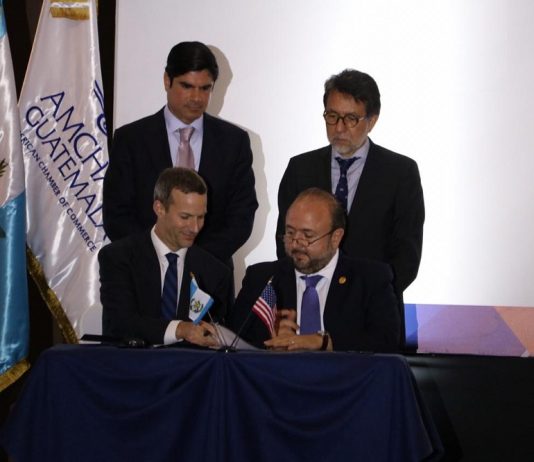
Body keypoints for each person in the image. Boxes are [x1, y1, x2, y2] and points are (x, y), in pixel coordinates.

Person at [276, 69, 425, 342]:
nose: (339, 127)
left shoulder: (400, 173)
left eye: (351, 118)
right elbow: (284, 240)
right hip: (308, 305)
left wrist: (369, 297)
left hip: (372, 315)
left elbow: (407, 256)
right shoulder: (301, 168)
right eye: (332, 116)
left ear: (372, 120)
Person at [103, 41, 257, 267]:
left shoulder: (234, 142)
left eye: (205, 88)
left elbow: (242, 215)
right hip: (144, 272)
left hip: (210, 274)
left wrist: (195, 261)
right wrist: (158, 258)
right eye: (187, 86)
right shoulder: (131, 139)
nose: (197, 98)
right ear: (167, 80)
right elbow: (116, 214)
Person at [230, 188, 400, 352]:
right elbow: (234, 341)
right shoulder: (261, 278)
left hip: (344, 373)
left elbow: (386, 341)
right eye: (290, 233)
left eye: (308, 236)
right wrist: (270, 342)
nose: (296, 244)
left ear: (336, 237)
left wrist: (323, 342)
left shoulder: (370, 278)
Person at [99, 167, 233, 346]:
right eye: (185, 217)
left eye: (200, 217)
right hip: (129, 362)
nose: (194, 228)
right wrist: (180, 329)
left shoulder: (214, 273)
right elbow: (121, 324)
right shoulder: (118, 258)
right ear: (159, 208)